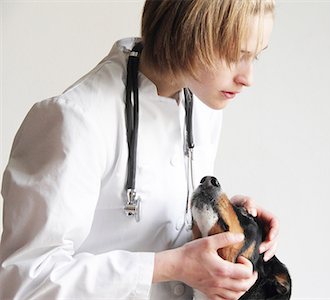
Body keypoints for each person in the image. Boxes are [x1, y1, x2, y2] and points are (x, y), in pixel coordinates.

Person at [0, 0, 277, 299]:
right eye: (236, 55)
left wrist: (221, 215)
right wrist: (165, 267)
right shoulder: (75, 119)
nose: (247, 78)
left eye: (255, 58)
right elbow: (21, 284)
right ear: (189, 32)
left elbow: (157, 226)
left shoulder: (203, 108)